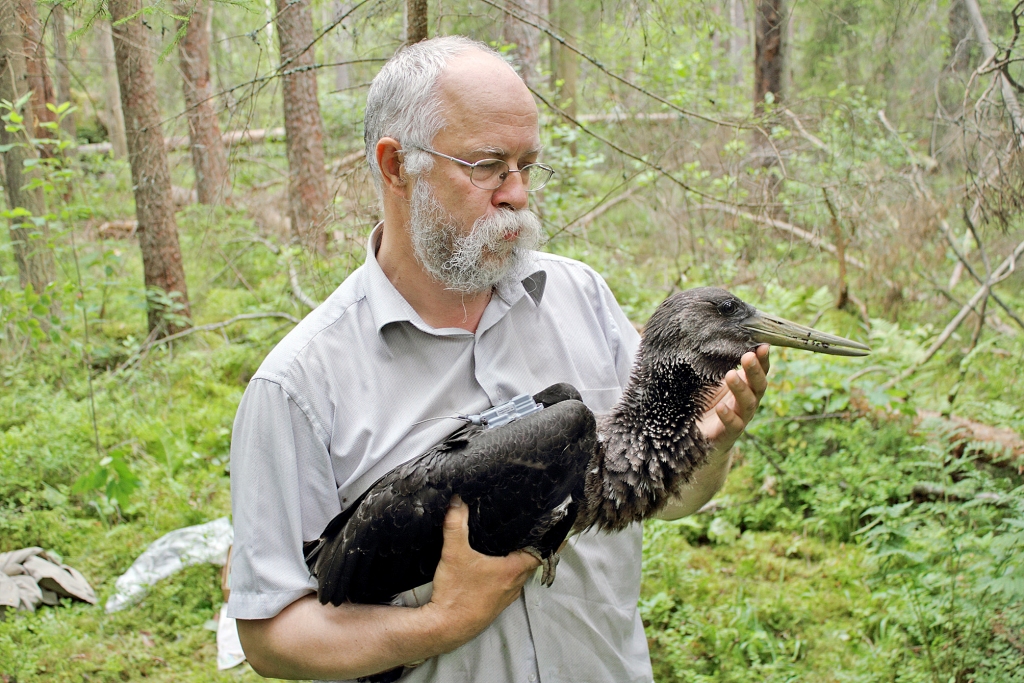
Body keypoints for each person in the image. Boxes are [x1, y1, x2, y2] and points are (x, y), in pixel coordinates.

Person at [227, 36, 769, 682]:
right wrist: (442, 622)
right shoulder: (298, 387)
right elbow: (269, 636)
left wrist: (713, 442)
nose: (516, 194)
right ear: (396, 166)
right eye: (486, 166)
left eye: (526, 166)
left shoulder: (584, 300)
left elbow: (662, 496)